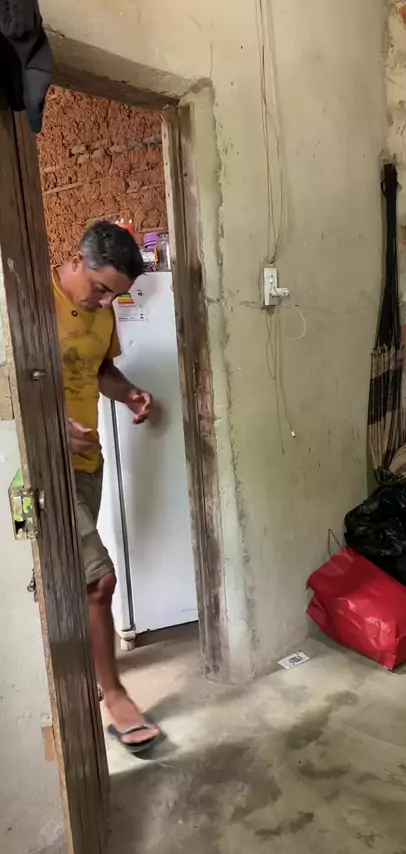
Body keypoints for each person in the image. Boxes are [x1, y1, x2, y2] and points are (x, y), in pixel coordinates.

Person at [53, 220, 160, 753]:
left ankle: (74, 676)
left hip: (87, 465)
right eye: (99, 289)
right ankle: (114, 696)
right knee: (99, 580)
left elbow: (98, 371)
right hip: (40, 470)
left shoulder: (101, 311)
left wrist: (130, 392)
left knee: (74, 581)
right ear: (76, 260)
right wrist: (50, 427)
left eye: (113, 296)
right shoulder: (26, 305)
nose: (102, 303)